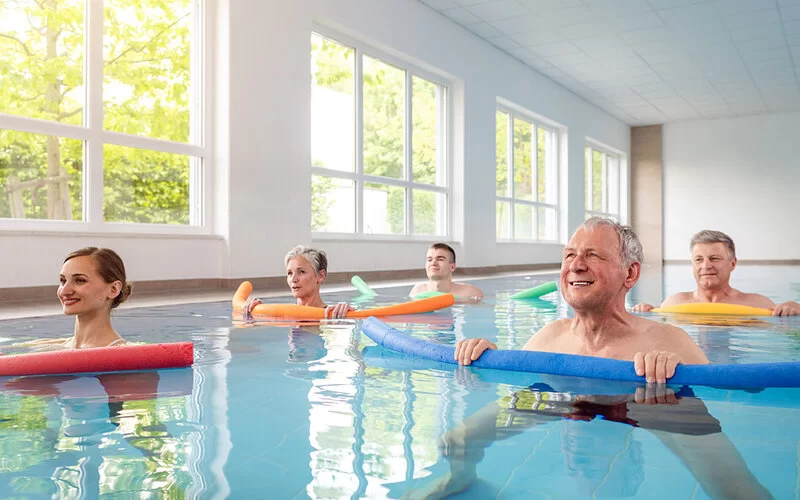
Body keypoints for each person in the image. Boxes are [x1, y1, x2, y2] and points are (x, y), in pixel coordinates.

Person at [456, 217, 709, 384]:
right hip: (563, 416)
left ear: (630, 273)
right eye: (569, 255)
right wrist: (486, 361)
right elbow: (518, 394)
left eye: (592, 255)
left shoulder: (670, 343)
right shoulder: (548, 339)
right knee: (458, 440)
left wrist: (677, 380)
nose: (575, 266)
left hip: (645, 413)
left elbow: (722, 399)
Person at [633, 230, 800, 316]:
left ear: (733, 263)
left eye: (714, 258)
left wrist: (793, 309)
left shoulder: (756, 303)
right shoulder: (673, 303)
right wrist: (643, 313)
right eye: (699, 259)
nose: (706, 266)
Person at [243, 245, 353, 319]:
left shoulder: (332, 315)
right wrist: (254, 314)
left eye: (301, 272)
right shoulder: (284, 314)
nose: (293, 279)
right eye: (290, 273)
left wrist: (346, 315)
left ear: (321, 275)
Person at [55, 247, 132, 349]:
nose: (64, 291)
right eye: (63, 280)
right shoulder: (51, 345)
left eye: (80, 280)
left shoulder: (121, 356)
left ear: (113, 289)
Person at [409, 243, 483, 301]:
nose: (433, 263)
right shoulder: (417, 291)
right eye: (429, 260)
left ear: (452, 267)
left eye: (440, 259)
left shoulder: (470, 293)